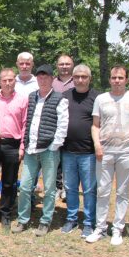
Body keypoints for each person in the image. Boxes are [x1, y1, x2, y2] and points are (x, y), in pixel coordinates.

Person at [86, 65, 129, 245]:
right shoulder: (101, 99)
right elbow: (95, 125)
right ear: (109, 79)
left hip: (126, 152)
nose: (117, 81)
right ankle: (100, 228)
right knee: (102, 191)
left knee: (122, 192)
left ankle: (118, 229)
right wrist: (97, 145)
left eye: (120, 77)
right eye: (113, 78)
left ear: (126, 79)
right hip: (105, 153)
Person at [12, 64, 69, 237]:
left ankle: (45, 221)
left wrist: (54, 146)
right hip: (31, 149)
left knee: (50, 188)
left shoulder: (60, 99)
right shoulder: (31, 97)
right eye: (40, 77)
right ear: (36, 79)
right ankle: (23, 219)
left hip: (49, 150)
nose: (43, 80)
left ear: (52, 79)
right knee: (26, 186)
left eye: (46, 77)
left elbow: (63, 125)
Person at [59, 64, 100, 238]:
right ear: (72, 78)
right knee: (70, 187)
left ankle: (89, 222)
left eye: (84, 77)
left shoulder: (97, 98)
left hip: (89, 152)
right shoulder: (65, 96)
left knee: (90, 189)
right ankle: (71, 218)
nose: (80, 80)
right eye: (77, 77)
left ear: (89, 78)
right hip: (68, 151)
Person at [0, 68, 28, 230]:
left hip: (13, 145)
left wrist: (22, 147)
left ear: (15, 81)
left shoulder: (23, 100)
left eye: (11, 80)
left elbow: (25, 125)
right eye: (4, 80)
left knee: (9, 182)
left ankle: (5, 214)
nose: (8, 83)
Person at [52, 55, 75, 202]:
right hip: (54, 127)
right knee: (55, 160)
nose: (64, 66)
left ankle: (68, 188)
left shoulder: (78, 80)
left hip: (73, 127)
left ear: (72, 65)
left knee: (69, 160)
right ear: (57, 66)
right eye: (61, 64)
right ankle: (56, 187)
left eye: (67, 64)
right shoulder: (52, 82)